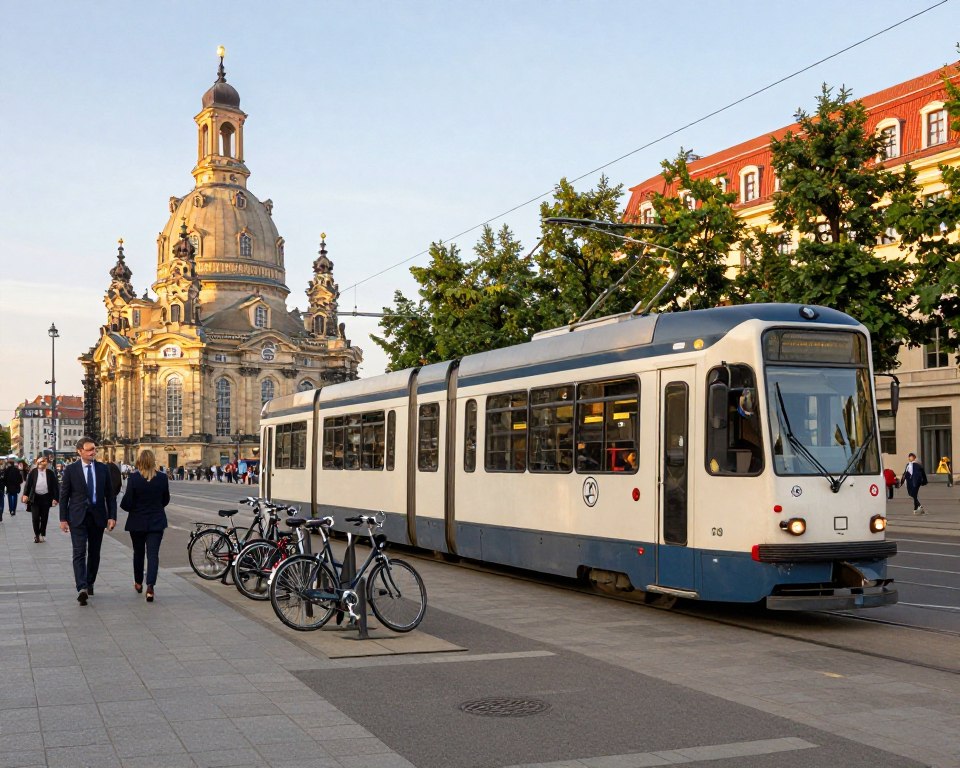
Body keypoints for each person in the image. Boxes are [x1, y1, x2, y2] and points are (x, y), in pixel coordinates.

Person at [59, 436, 117, 605]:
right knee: (79, 552)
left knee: (94, 553)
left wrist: (112, 516)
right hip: (77, 517)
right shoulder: (71, 470)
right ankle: (81, 587)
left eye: (94, 449)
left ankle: (90, 581)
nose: (94, 452)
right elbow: (64, 496)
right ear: (80, 451)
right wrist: (63, 518)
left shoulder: (102, 469)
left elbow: (110, 495)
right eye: (90, 449)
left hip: (98, 517)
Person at [119, 449, 169, 602]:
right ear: (153, 461)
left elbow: (127, 502)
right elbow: (166, 499)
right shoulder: (162, 478)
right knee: (153, 555)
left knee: (138, 553)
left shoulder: (134, 478)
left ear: (139, 460)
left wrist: (134, 508)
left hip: (137, 521)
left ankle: (138, 582)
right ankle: (150, 587)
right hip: (156, 521)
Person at [22, 456, 59, 542]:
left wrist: (56, 498)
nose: (44, 463)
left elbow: (55, 487)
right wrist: (25, 495)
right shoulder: (33, 472)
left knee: (44, 517)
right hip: (35, 498)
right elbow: (28, 485)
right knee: (35, 517)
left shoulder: (50, 473)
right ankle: (37, 535)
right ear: (38, 463)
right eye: (42, 462)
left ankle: (42, 533)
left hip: (46, 497)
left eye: (45, 462)